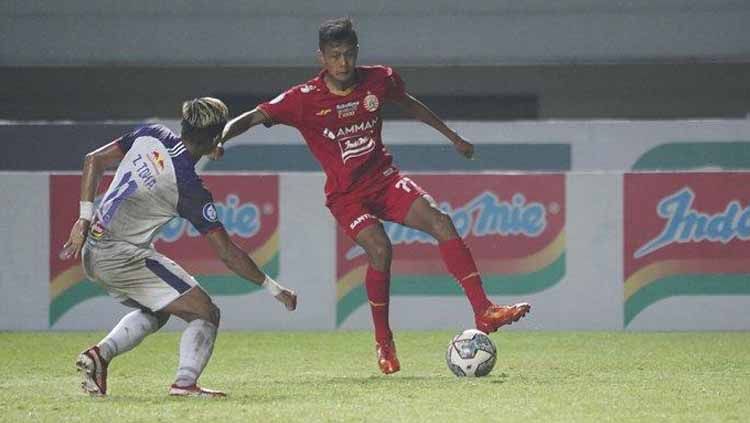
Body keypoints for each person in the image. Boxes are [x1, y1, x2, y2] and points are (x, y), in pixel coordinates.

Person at [219, 18, 530, 375]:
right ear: (321, 58)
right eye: (335, 56)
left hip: (384, 180)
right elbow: (253, 117)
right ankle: (384, 341)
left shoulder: (379, 79)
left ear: (357, 53)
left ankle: (483, 310)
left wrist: (452, 136)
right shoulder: (301, 99)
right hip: (346, 197)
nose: (343, 63)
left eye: (349, 54)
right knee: (381, 248)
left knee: (441, 221)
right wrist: (220, 139)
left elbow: (410, 104)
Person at [60, 97, 297, 397]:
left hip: (93, 247)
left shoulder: (152, 134)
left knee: (157, 309)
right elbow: (227, 253)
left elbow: (93, 160)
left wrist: (83, 219)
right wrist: (275, 288)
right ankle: (185, 384)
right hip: (120, 255)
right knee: (205, 312)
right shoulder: (188, 189)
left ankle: (98, 357)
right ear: (214, 138)